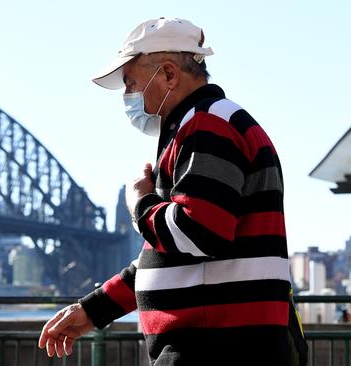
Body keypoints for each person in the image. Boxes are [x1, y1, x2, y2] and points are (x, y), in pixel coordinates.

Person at [38, 17, 307, 365]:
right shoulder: (198, 126)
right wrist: (93, 310)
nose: (127, 96)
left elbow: (199, 233)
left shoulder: (208, 124)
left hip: (215, 347)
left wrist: (140, 204)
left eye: (131, 83)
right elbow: (171, 254)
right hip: (215, 343)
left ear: (168, 74)